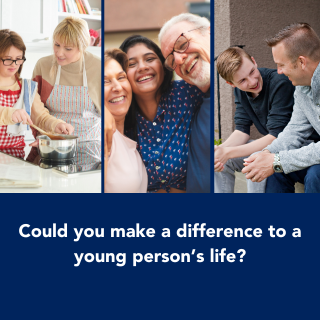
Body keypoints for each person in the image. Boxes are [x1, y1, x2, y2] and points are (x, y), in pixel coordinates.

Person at [116, 35, 203, 193]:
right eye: (131, 64)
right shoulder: (121, 119)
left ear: (163, 65)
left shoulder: (187, 92)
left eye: (149, 59)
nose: (142, 67)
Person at [242, 23, 320, 193]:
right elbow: (295, 131)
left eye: (281, 65)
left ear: (301, 62)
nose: (278, 71)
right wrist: (267, 153)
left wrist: (277, 160)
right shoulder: (301, 88)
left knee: (316, 174)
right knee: (277, 172)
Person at [213, 47, 295, 193]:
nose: (252, 82)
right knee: (219, 162)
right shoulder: (240, 91)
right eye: (242, 80)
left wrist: (228, 152)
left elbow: (275, 137)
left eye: (252, 72)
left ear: (253, 61)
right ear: (231, 84)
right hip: (273, 146)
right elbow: (241, 131)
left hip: (292, 147)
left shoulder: (279, 83)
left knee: (253, 159)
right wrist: (219, 152)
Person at [0, 29, 73, 159]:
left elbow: (41, 117)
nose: (14, 64)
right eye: (8, 59)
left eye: (18, 59)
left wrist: (56, 125)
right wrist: (10, 113)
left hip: (15, 157)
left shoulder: (27, 88)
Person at [159, 13, 210, 193]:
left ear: (209, 33)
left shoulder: (242, 86)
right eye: (172, 61)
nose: (179, 59)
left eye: (182, 44)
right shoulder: (187, 100)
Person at [32, 16, 101, 142]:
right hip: (51, 144)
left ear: (83, 46)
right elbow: (34, 106)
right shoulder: (43, 65)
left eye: (68, 48)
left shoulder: (99, 68)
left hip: (90, 146)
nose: (59, 53)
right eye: (57, 45)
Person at [104, 48, 147, 193]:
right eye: (105, 82)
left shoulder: (128, 141)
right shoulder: (103, 135)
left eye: (121, 77)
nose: (117, 87)